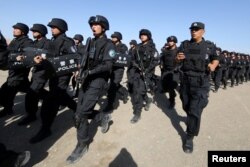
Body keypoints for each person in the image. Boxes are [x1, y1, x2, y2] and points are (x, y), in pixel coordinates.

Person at [66, 15, 115, 164]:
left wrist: (90, 72)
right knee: (79, 111)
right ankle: (102, 117)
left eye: (97, 25)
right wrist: (79, 69)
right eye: (92, 24)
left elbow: (108, 65)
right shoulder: (89, 41)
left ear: (104, 27)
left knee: (81, 115)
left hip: (98, 81)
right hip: (85, 80)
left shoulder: (109, 44)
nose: (93, 27)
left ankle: (82, 145)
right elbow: (85, 59)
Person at [29, 18, 77, 143]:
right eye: (51, 27)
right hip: (52, 75)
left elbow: (75, 58)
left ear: (61, 28)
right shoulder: (52, 41)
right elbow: (49, 57)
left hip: (62, 76)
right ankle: (86, 112)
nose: (51, 29)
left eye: (54, 27)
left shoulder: (68, 42)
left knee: (49, 103)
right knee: (63, 98)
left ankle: (45, 129)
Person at [176, 22, 219, 153]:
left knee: (195, 110)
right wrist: (177, 58)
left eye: (196, 29)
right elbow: (176, 60)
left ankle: (189, 136)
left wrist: (213, 66)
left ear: (203, 32)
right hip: (185, 80)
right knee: (186, 106)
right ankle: (192, 117)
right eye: (192, 29)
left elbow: (216, 59)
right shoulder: (184, 45)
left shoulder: (209, 46)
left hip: (201, 82)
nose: (193, 31)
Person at [18, 23, 51, 126]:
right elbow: (30, 55)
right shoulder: (34, 43)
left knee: (31, 94)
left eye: (35, 31)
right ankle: (52, 99)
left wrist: (42, 59)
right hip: (35, 71)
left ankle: (31, 115)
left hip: (42, 72)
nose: (32, 32)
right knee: (38, 91)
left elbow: (49, 57)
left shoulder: (48, 43)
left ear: (41, 32)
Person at [0, 23, 33, 118]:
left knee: (8, 91)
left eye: (16, 29)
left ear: (22, 32)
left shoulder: (28, 42)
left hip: (19, 73)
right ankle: (49, 97)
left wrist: (15, 57)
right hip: (13, 72)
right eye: (13, 29)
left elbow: (27, 56)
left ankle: (7, 109)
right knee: (31, 90)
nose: (13, 30)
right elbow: (7, 53)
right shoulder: (14, 41)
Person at [130, 29, 159, 124]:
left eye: (144, 35)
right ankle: (148, 99)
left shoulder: (152, 48)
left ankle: (137, 113)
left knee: (139, 93)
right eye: (141, 35)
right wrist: (136, 66)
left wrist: (147, 70)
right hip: (137, 72)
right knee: (136, 90)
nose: (142, 36)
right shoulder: (137, 47)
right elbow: (132, 59)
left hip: (147, 73)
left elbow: (156, 60)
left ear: (148, 36)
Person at [102, 31, 128, 126]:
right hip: (110, 68)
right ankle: (125, 92)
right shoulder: (110, 45)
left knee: (113, 86)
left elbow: (124, 57)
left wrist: (115, 55)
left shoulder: (123, 47)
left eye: (114, 37)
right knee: (114, 84)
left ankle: (110, 105)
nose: (112, 38)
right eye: (112, 37)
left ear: (119, 38)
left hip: (118, 69)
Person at [160, 36, 179, 108]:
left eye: (171, 41)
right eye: (169, 41)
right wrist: (161, 64)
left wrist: (178, 68)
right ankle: (172, 94)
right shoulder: (166, 50)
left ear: (175, 42)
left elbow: (183, 62)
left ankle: (172, 101)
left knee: (171, 87)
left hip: (175, 71)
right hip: (166, 70)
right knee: (164, 84)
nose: (170, 42)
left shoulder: (179, 50)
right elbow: (162, 58)